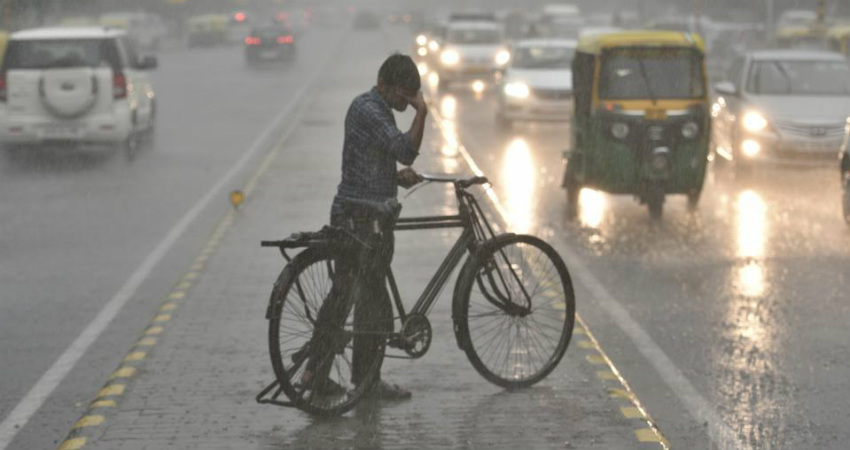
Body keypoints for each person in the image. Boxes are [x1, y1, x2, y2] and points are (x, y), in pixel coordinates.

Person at [301, 53, 427, 401]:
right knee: (367, 303)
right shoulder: (369, 109)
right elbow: (405, 150)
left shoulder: (376, 110)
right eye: (403, 95)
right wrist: (423, 112)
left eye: (411, 96)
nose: (407, 102)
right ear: (383, 85)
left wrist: (393, 177)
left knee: (351, 299)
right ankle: (352, 378)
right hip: (358, 222)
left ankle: (327, 374)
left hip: (366, 217)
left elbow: (371, 159)